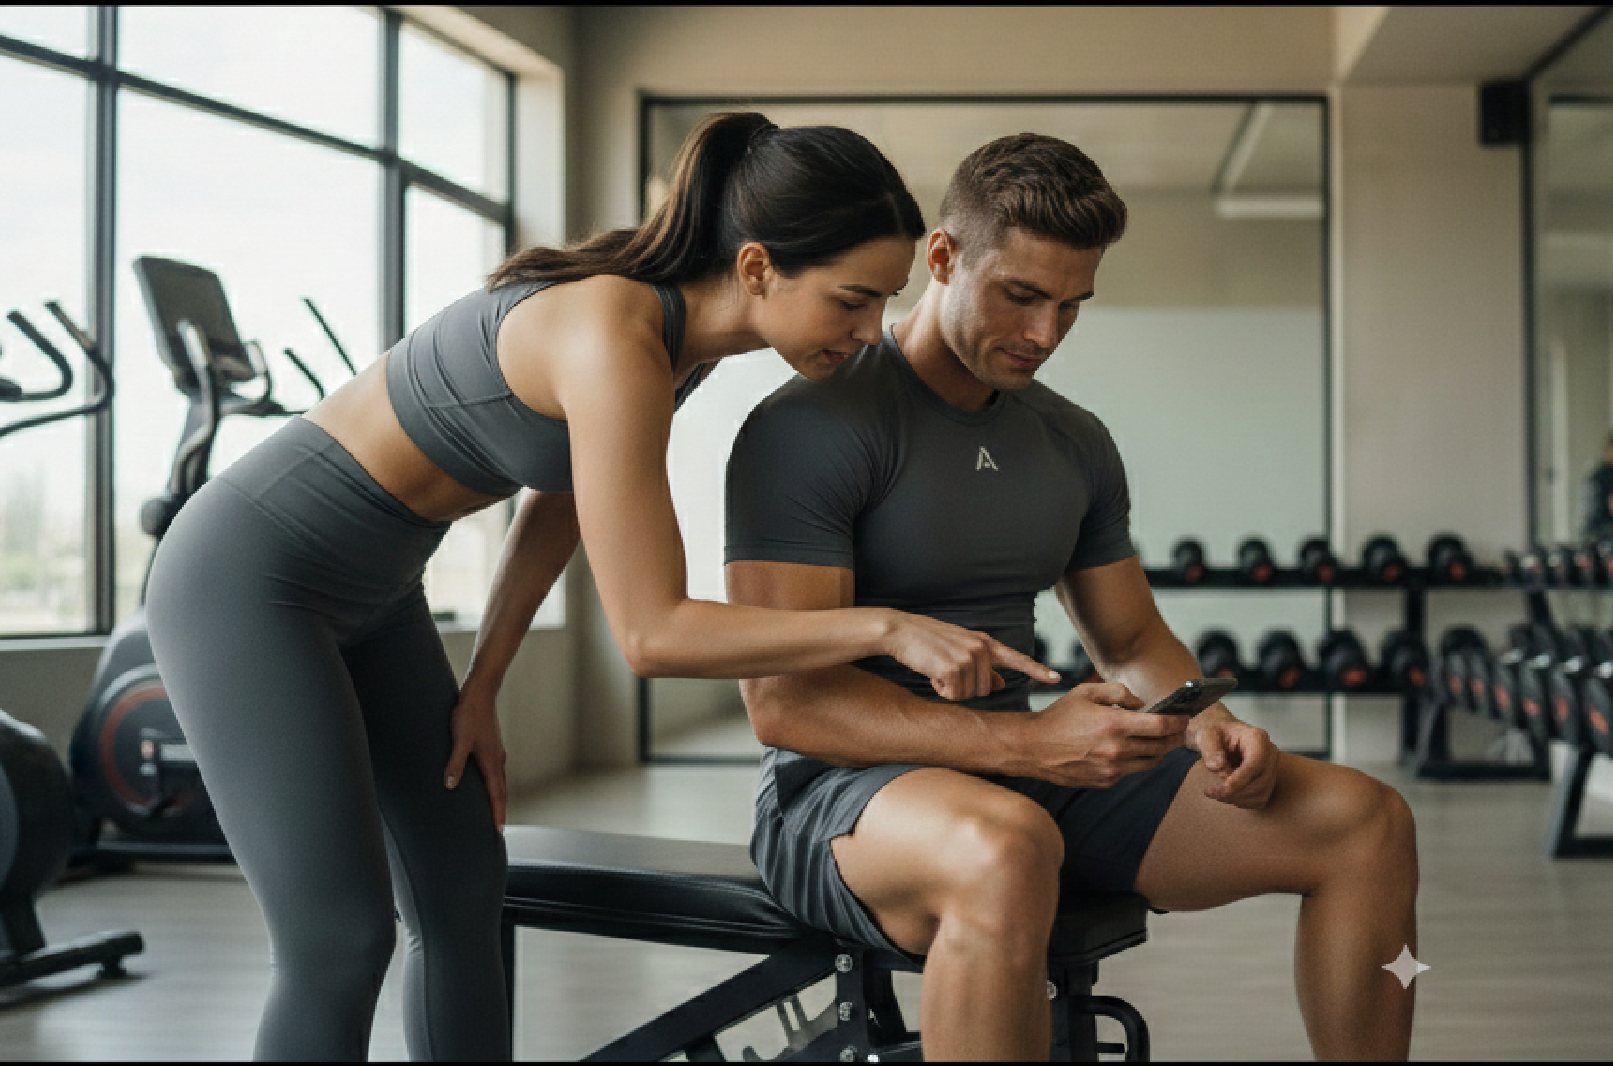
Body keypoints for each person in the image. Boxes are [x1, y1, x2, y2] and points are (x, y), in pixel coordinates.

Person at [144, 113, 1052, 1062]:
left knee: (460, 894)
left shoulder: (679, 346)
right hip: (247, 576)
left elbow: (561, 496)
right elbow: (653, 635)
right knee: (339, 938)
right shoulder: (616, 335)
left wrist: (484, 681)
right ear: (755, 270)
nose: (872, 333)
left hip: (378, 590)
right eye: (852, 300)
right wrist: (888, 629)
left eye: (884, 303)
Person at [722, 133, 1419, 1061]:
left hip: (1027, 778)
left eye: (1071, 306)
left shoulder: (1072, 439)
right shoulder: (811, 425)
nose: (1045, 334)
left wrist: (1205, 720)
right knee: (1002, 845)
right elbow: (787, 705)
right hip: (842, 797)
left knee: (1366, 823)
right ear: (942, 258)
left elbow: (1128, 635)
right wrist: (1030, 743)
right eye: (1020, 296)